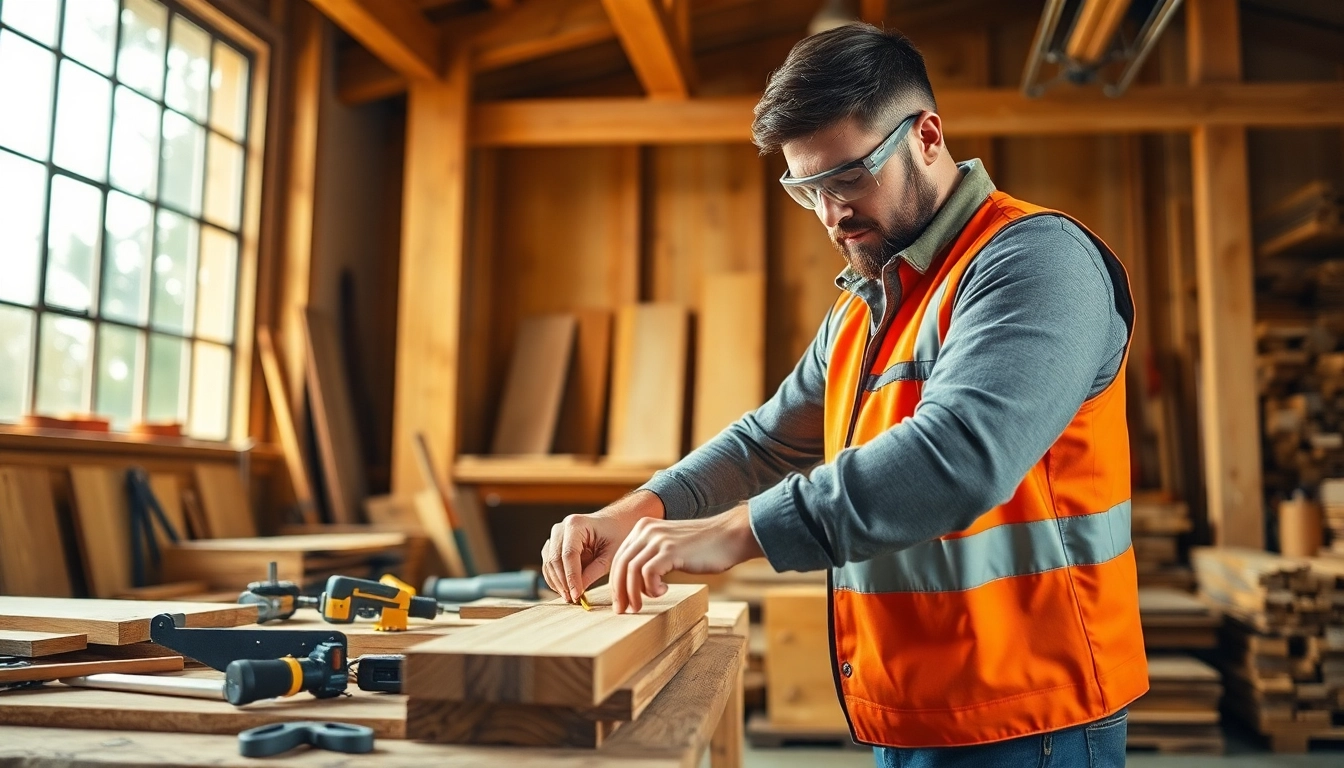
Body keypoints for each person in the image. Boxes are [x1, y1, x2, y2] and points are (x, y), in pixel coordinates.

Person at [540, 23, 1146, 767]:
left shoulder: (1033, 260)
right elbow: (766, 441)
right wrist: (641, 508)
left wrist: (735, 534)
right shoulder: (865, 305)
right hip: (915, 709)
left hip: (1033, 718)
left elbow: (960, 457)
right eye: (807, 189)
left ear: (927, 136)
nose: (831, 214)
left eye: (850, 177)